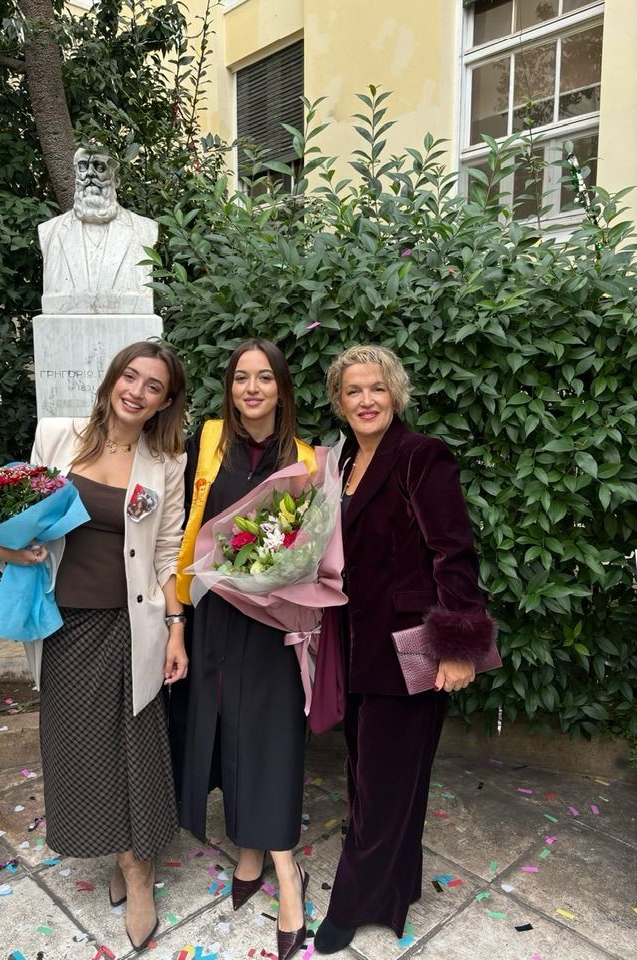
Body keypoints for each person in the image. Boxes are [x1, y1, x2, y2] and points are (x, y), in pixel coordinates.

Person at [0, 341, 188, 953]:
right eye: (131, 376)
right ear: (111, 380)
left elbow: (166, 550)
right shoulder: (56, 436)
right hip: (63, 625)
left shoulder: (165, 462)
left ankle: (139, 868)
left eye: (153, 386)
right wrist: (4, 547)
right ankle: (117, 849)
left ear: (164, 402)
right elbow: (18, 518)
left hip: (132, 624)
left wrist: (176, 627)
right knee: (82, 748)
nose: (137, 391)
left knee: (137, 744)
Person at [314, 344, 495, 953]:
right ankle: (395, 884)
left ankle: (353, 903)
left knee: (386, 780)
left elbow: (453, 552)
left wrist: (458, 646)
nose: (366, 400)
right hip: (353, 643)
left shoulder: (422, 456)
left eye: (377, 388)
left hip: (410, 645)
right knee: (368, 774)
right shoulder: (340, 463)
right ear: (339, 402)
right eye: (353, 391)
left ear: (396, 393)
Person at [175, 338, 314, 960]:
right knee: (226, 727)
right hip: (212, 614)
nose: (251, 389)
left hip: (272, 619)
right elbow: (177, 524)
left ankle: (286, 871)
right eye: (240, 378)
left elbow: (310, 546)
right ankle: (249, 847)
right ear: (229, 388)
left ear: (281, 388)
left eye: (263, 378)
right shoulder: (205, 444)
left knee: (272, 735)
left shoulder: (306, 460)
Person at [38, 145, 159, 315]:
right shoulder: (50, 231)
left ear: (116, 180)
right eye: (82, 167)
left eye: (99, 167)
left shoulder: (144, 229)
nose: (89, 174)